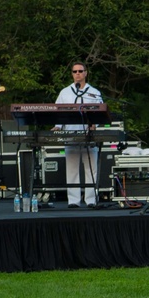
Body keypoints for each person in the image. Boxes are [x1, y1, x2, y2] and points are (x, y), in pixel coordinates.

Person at [55, 62, 103, 208]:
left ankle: (91, 200)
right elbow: (57, 111)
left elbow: (101, 112)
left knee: (91, 169)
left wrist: (95, 124)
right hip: (70, 135)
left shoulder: (94, 92)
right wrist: (57, 126)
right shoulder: (65, 92)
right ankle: (73, 201)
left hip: (88, 136)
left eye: (80, 71)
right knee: (72, 169)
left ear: (86, 73)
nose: (77, 74)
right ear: (72, 74)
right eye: (74, 71)